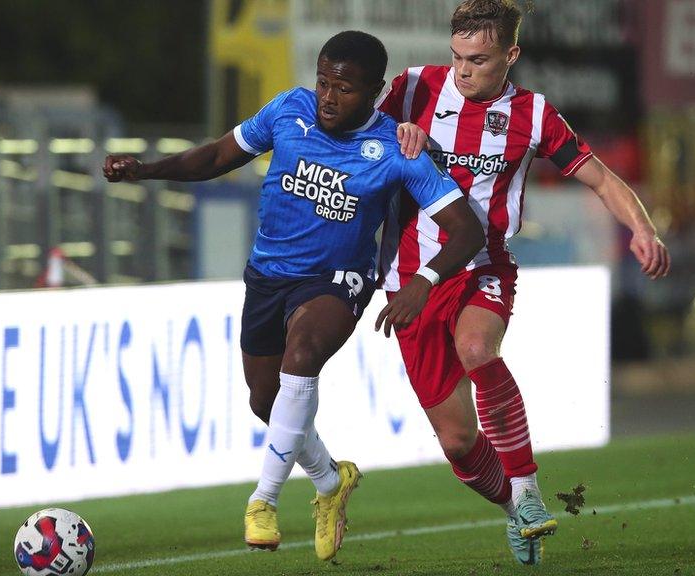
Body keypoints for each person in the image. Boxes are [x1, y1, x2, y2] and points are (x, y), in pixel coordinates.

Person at [103, 31, 485, 562]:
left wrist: (424, 281)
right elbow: (218, 155)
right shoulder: (289, 110)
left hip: (337, 281)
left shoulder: (399, 152)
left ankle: (264, 500)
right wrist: (146, 170)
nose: (328, 97)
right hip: (267, 276)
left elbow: (466, 230)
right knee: (267, 399)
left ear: (375, 91)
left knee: (302, 356)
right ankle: (330, 481)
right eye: (323, 82)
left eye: (345, 89)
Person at [376, 0, 671, 565]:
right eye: (457, 57)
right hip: (408, 279)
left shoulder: (534, 114)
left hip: (483, 267)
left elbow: (602, 178)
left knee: (476, 348)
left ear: (511, 55)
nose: (463, 72)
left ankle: (529, 489)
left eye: (479, 60)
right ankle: (517, 509)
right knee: (459, 444)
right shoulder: (413, 88)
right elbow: (355, 136)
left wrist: (642, 229)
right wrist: (391, 133)